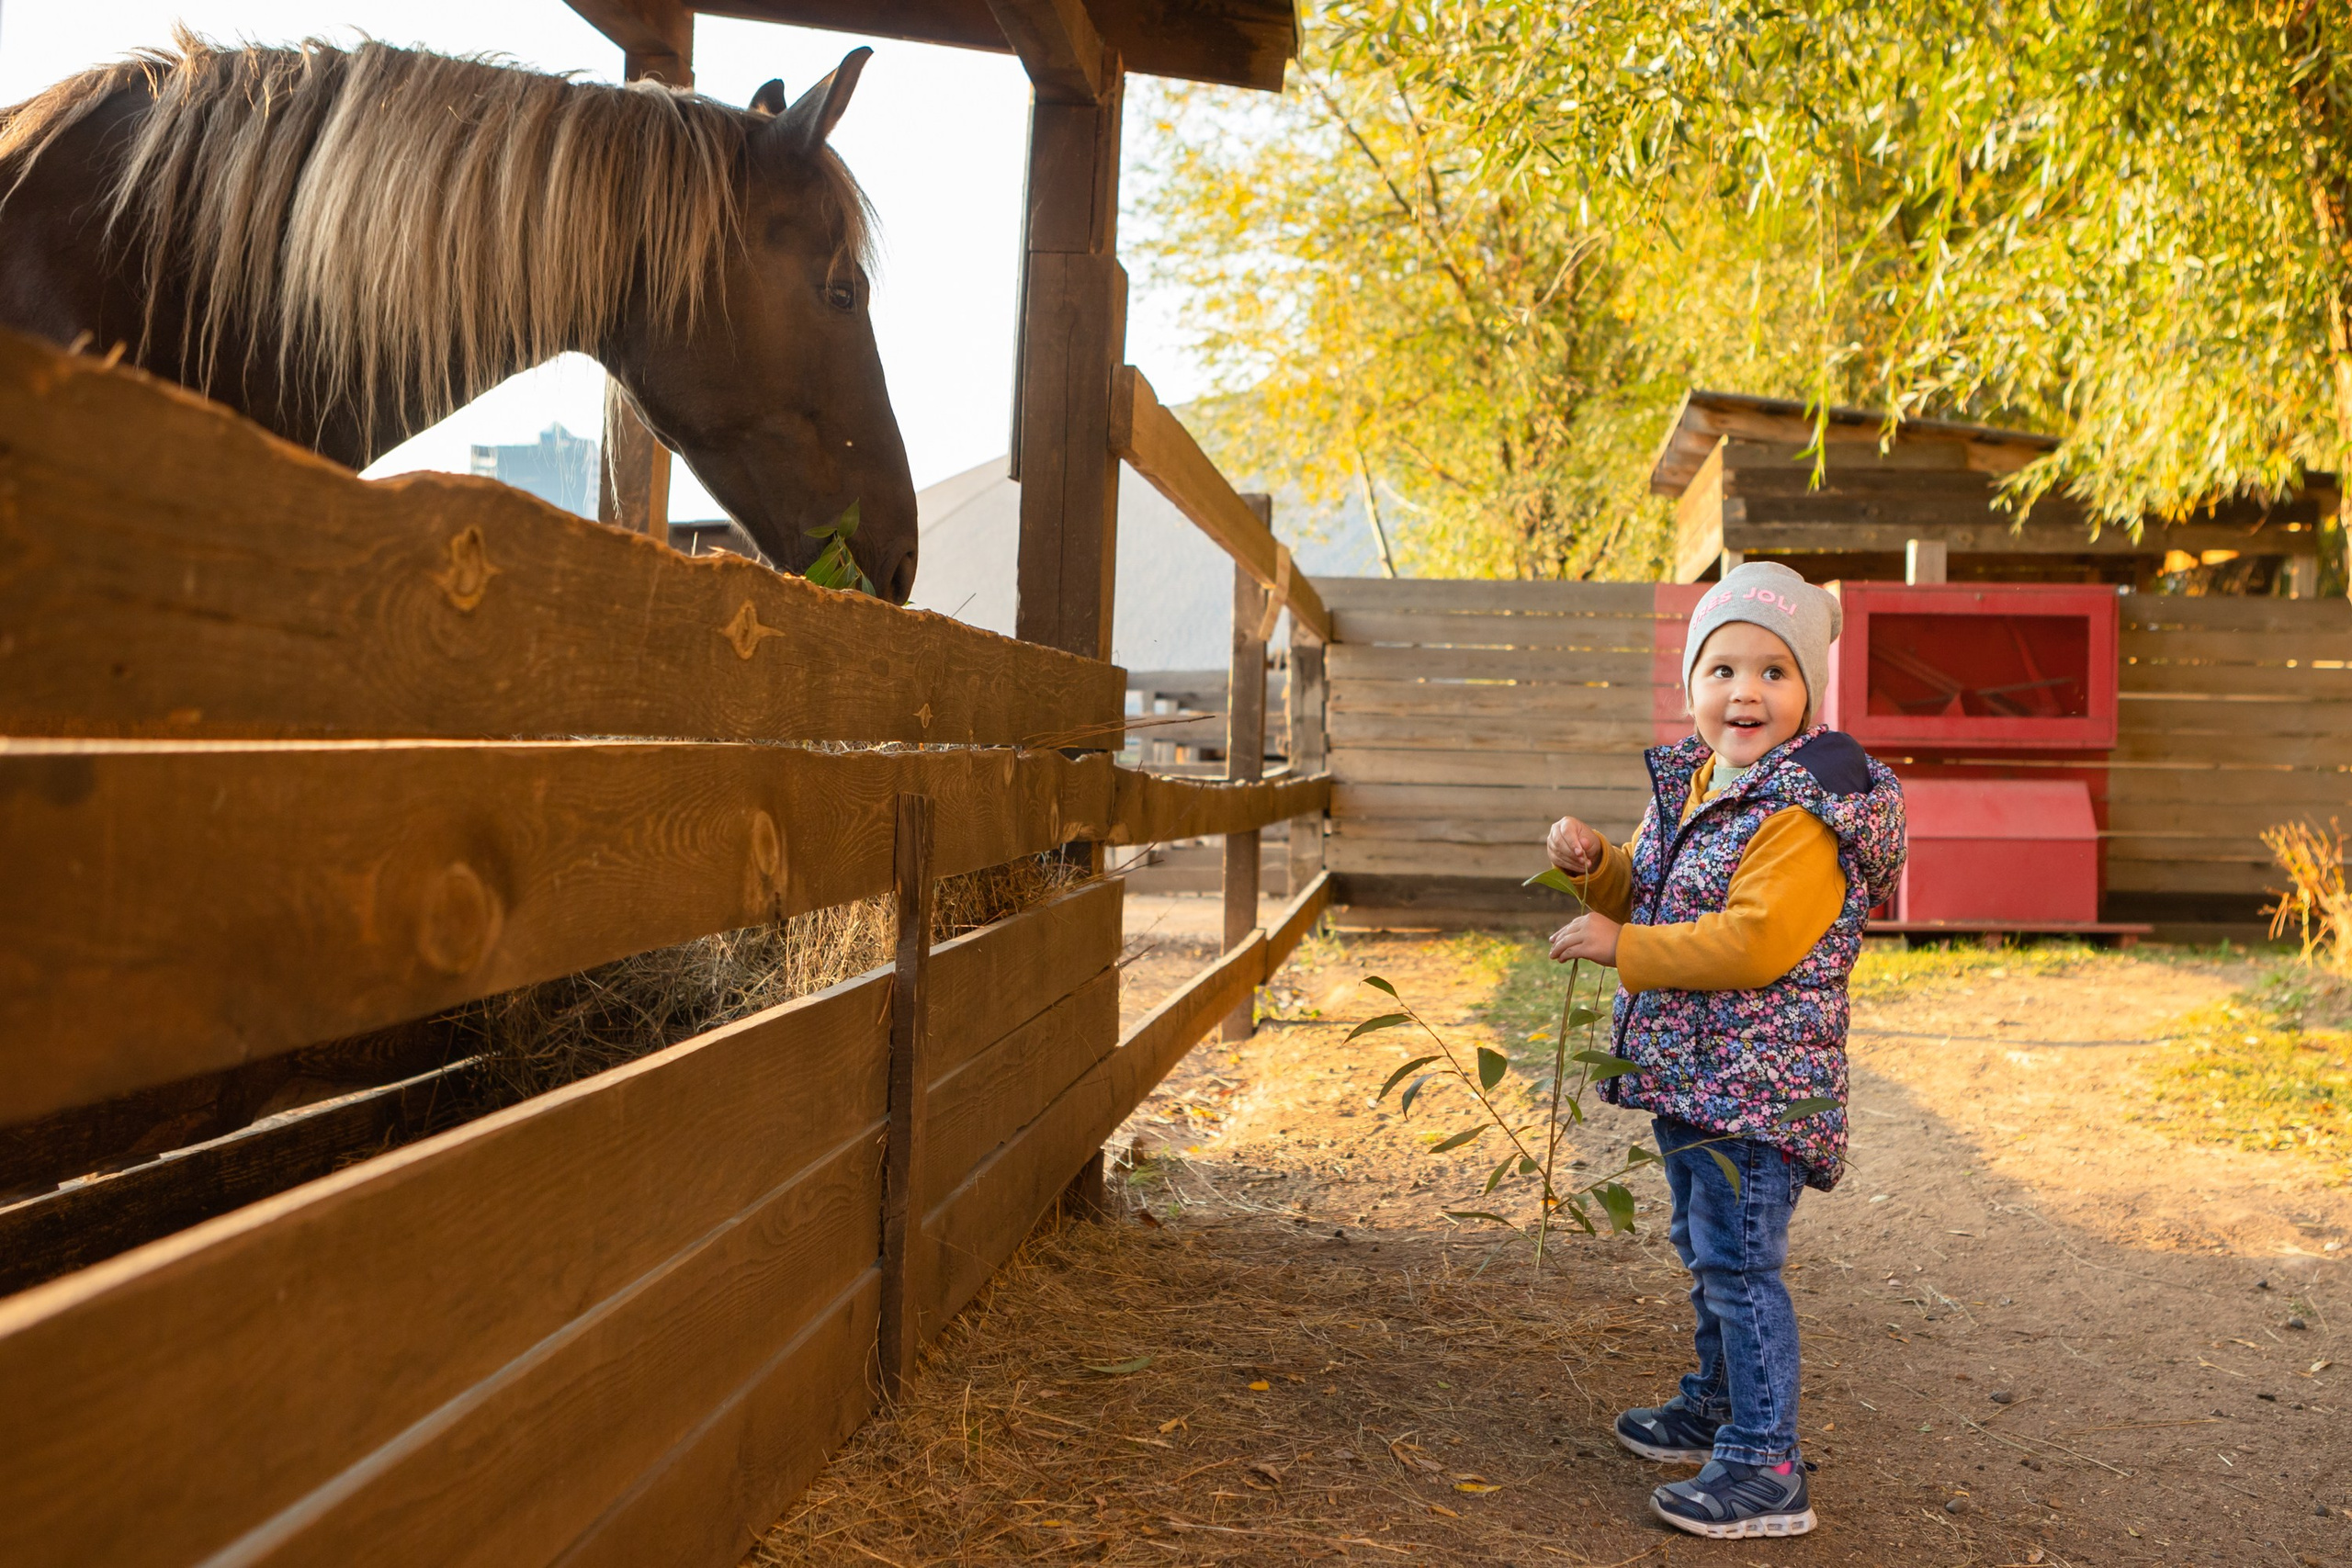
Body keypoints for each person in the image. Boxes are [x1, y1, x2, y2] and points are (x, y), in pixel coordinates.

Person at [1544, 561, 1905, 1540]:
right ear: (1690, 684)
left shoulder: (1803, 811)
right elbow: (1658, 900)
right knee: (1706, 1251)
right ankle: (1713, 1405)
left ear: (1808, 691)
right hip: (1699, 1077)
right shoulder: (1700, 782)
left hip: (1760, 1087)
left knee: (1741, 1266)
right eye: (1722, 667)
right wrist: (1600, 870)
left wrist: (1626, 949)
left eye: (1774, 671)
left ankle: (1764, 1463)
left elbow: (1753, 942)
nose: (1745, 691)